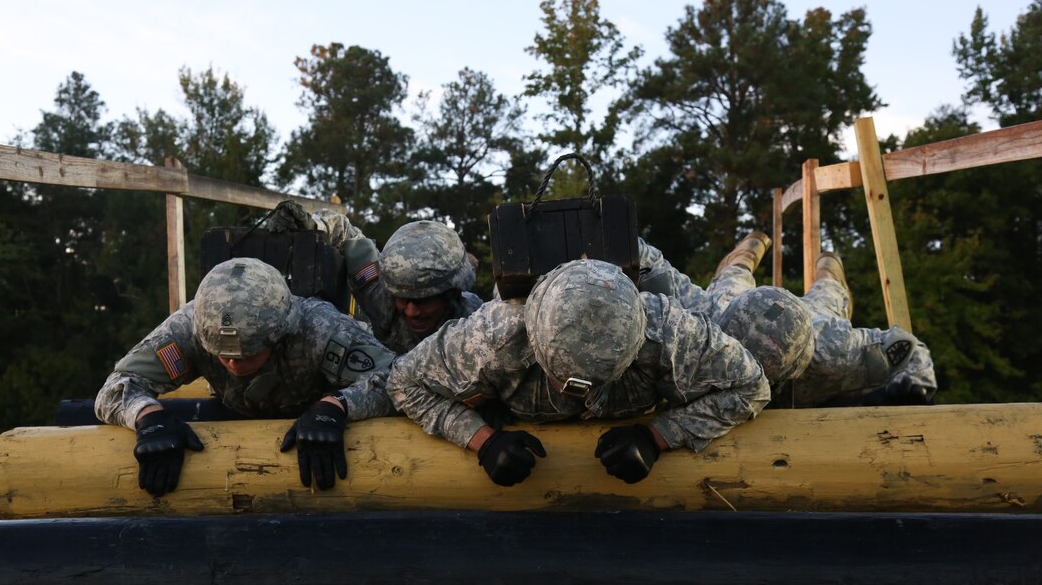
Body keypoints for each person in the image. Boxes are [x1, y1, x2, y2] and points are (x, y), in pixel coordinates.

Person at [386, 259, 770, 486]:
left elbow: (751, 387)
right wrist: (481, 439)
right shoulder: (492, 336)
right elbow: (403, 381)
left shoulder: (670, 332)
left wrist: (660, 435)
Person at [95, 257, 396, 496]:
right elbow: (116, 386)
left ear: (280, 335)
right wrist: (148, 417)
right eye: (222, 355)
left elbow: (397, 378)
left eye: (247, 354)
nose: (233, 365)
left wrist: (336, 406)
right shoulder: (190, 328)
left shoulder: (321, 329)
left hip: (315, 427)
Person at [667, 232, 938, 407]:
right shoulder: (716, 320)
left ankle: (829, 266)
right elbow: (665, 276)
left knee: (828, 293)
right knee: (732, 279)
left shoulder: (832, 346)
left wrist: (913, 388)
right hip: (742, 310)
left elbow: (908, 348)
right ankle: (745, 254)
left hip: (813, 328)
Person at [311, 212, 484, 353]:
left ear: (452, 293)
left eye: (422, 300)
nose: (411, 311)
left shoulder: (474, 326)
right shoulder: (381, 299)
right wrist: (310, 224)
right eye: (402, 298)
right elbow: (345, 232)